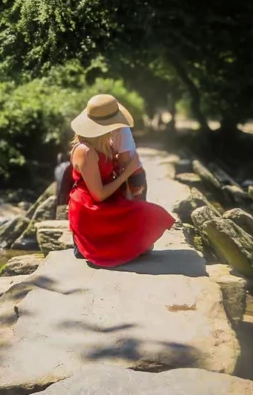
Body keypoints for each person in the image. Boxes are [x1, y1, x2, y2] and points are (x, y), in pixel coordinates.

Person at [68, 94, 175, 268]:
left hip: (102, 199)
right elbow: (99, 195)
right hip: (89, 207)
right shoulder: (86, 151)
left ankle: (89, 244)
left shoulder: (101, 145)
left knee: (147, 215)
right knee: (148, 215)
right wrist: (127, 173)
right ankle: (86, 244)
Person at [112, 126, 147, 200]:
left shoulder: (123, 130)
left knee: (137, 207)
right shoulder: (111, 131)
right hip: (122, 174)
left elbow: (125, 157)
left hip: (133, 174)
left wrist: (113, 157)